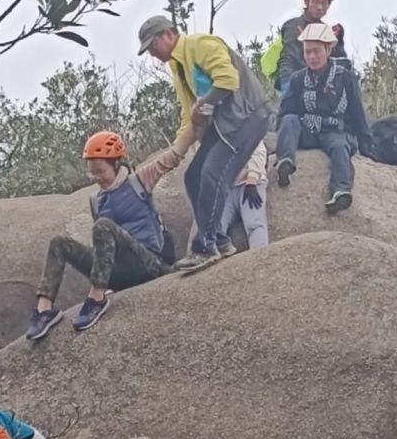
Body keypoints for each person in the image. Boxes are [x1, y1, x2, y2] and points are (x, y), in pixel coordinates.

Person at [137, 15, 272, 273]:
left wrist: (205, 106)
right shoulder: (178, 68)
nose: (152, 53)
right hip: (225, 124)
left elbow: (228, 80)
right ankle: (220, 241)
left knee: (213, 173)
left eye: (153, 45)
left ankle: (205, 246)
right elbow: (190, 117)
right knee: (193, 176)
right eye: (148, 50)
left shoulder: (200, 44)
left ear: (168, 34)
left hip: (247, 117)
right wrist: (174, 152)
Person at [26, 130, 183, 338]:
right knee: (59, 243)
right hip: (120, 274)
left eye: (100, 171)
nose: (97, 178)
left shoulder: (140, 180)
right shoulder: (96, 200)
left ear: (116, 163)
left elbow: (173, 156)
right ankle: (44, 310)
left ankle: (97, 298)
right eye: (92, 173)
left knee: (103, 225)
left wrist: (195, 124)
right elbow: (105, 249)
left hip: (149, 264)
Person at [276, 24, 373, 213]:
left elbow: (358, 114)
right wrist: (278, 144)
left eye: (316, 51)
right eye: (307, 51)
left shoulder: (345, 77)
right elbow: (285, 111)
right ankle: (285, 163)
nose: (312, 56)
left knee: (339, 147)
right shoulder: (298, 79)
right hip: (309, 131)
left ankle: (341, 191)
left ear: (328, 49)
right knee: (289, 119)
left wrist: (368, 150)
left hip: (336, 131)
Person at [274, 0, 348, 92]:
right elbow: (289, 57)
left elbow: (337, 62)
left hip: (319, 86)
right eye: (315, 2)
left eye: (324, 3)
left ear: (328, 6)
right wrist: (287, 85)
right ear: (307, 2)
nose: (319, 7)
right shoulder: (293, 25)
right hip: (294, 82)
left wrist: (339, 41)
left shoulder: (326, 30)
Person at [217, 140, 270, 253]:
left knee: (254, 223)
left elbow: (259, 152)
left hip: (249, 184)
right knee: (215, 226)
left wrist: (252, 181)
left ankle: (260, 259)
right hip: (226, 190)